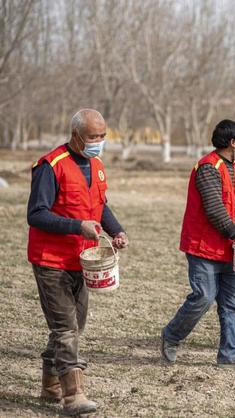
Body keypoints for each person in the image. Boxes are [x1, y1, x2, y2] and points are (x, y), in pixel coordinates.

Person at [27, 109, 128, 415]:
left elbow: (100, 205)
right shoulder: (51, 166)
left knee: (73, 325)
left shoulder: (96, 165)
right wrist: (76, 226)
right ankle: (74, 395)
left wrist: (116, 229)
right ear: (75, 136)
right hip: (51, 260)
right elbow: (36, 214)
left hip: (81, 260)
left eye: (102, 136)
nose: (99, 142)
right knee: (66, 328)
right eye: (93, 137)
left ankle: (50, 385)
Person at [161, 119, 235, 369]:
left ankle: (229, 354)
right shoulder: (208, 167)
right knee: (203, 297)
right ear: (232, 142)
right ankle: (171, 336)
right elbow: (214, 208)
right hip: (204, 247)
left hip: (231, 249)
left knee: (234, 303)